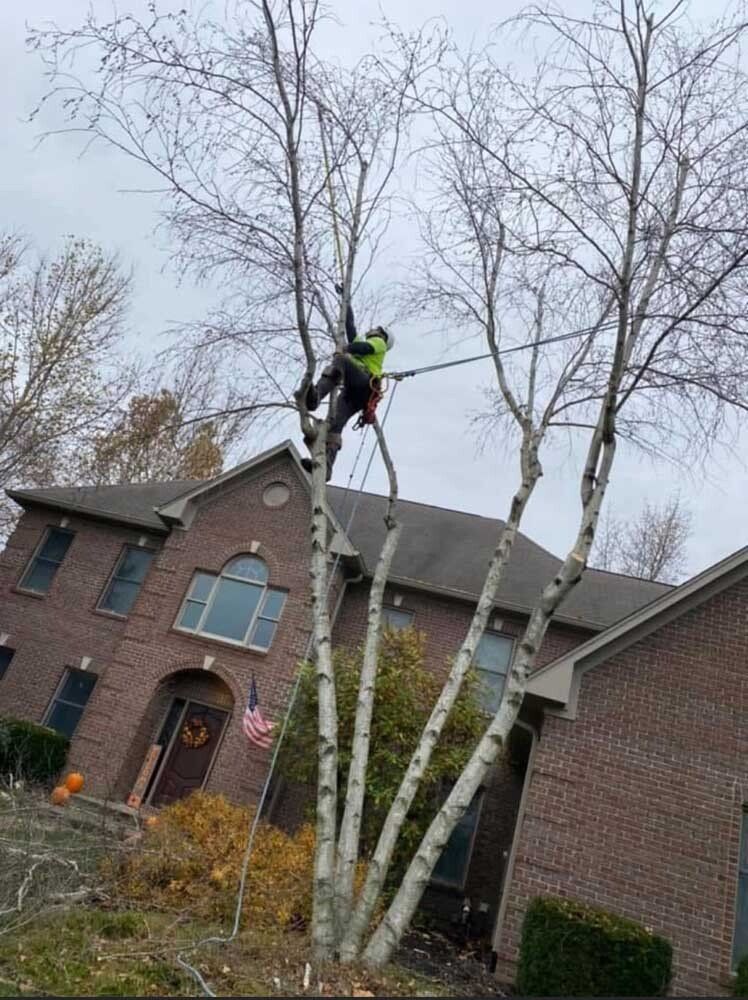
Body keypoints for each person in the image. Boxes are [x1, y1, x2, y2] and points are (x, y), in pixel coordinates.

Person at [301, 289, 394, 480]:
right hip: (355, 394)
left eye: (375, 328)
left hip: (365, 384)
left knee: (342, 360)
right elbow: (350, 328)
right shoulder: (369, 340)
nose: (371, 330)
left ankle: (316, 396)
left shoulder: (379, 342)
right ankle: (326, 467)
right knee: (335, 424)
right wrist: (346, 301)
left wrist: (345, 349)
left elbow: (363, 347)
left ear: (382, 334)